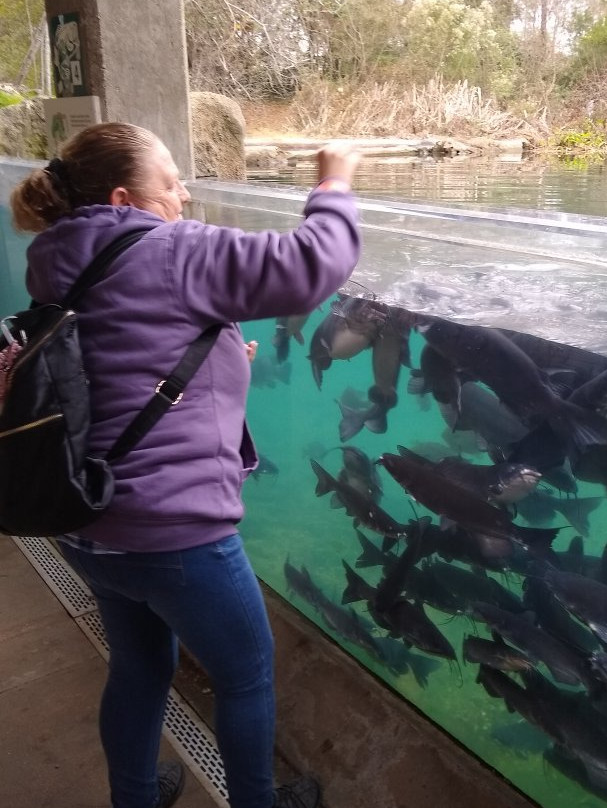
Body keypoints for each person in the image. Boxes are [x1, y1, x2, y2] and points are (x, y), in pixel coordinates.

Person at [10, 122, 361, 808]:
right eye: (172, 182)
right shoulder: (172, 247)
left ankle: (135, 798)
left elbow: (119, 356)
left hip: (86, 517)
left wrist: (223, 356)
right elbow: (312, 265)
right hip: (173, 532)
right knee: (246, 676)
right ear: (125, 198)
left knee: (140, 665)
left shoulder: (53, 256)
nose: (186, 195)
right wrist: (334, 180)